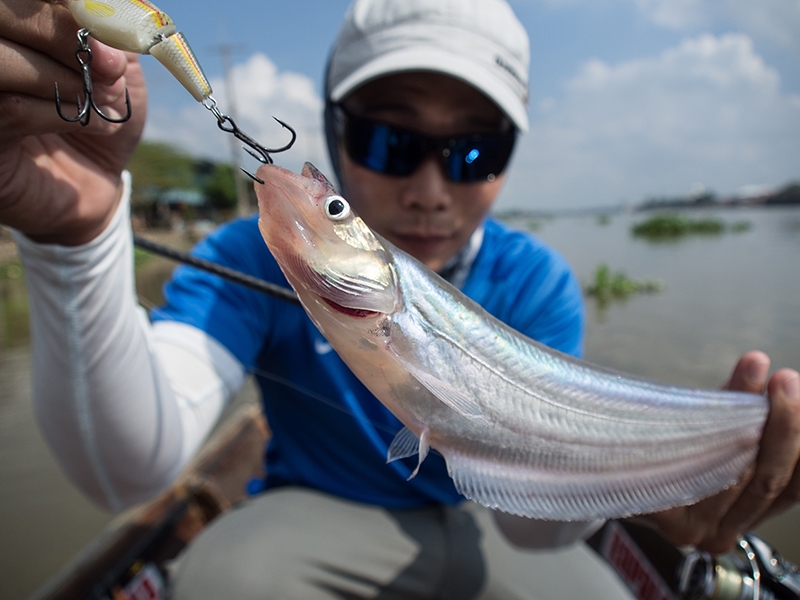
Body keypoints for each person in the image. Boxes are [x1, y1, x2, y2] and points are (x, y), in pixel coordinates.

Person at [2, 0, 799, 598]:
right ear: (335, 131)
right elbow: (123, 474)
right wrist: (81, 228)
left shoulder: (536, 279)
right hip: (318, 518)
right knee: (223, 577)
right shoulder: (248, 256)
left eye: (474, 150)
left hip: (497, 534)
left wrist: (654, 482)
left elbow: (531, 529)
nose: (427, 192)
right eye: (392, 139)